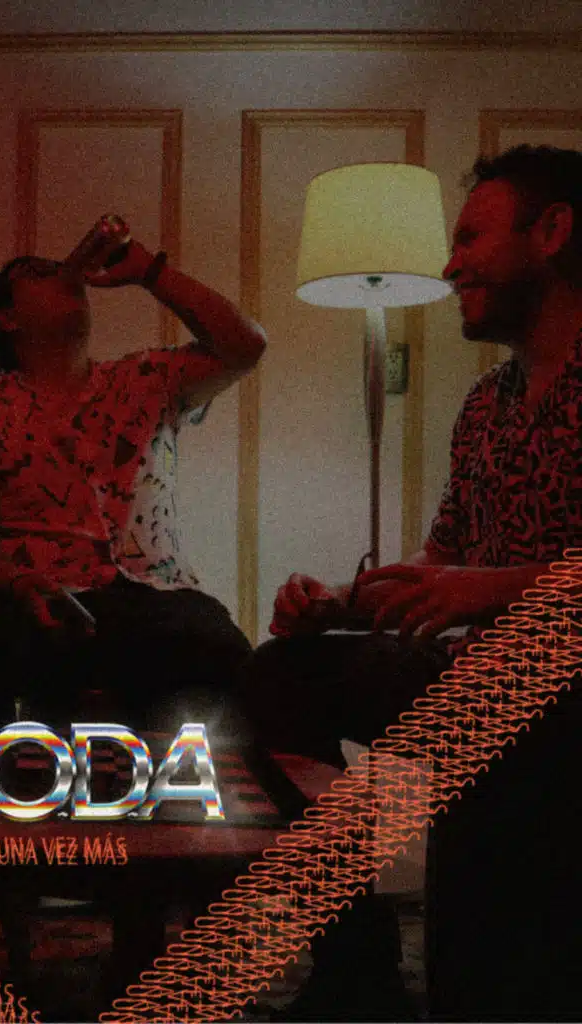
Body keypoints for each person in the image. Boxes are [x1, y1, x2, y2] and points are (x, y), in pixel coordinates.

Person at [244, 144, 582, 1021]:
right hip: (481, 676)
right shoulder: (487, 404)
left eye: (470, 238)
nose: (450, 265)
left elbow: (474, 583)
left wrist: (496, 588)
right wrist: (339, 601)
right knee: (275, 679)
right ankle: (357, 966)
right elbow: (442, 564)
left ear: (551, 232)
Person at [0, 235, 266, 742]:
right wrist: (19, 582)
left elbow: (246, 346)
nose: (65, 272)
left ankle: (196, 786)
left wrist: (150, 272)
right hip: (39, 600)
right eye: (40, 272)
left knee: (220, 648)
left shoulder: (148, 379)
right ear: (8, 318)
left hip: (154, 598)